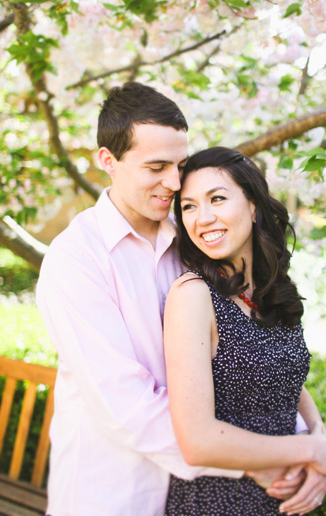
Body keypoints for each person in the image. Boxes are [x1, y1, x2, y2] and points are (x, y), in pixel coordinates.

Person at [36, 83, 304, 515]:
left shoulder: (195, 239)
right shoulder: (76, 260)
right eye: (157, 166)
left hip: (200, 493)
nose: (175, 183)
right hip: (115, 494)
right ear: (108, 161)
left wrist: (307, 436)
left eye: (180, 164)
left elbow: (255, 345)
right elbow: (126, 407)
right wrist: (255, 462)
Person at [163, 146, 326, 515]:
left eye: (217, 198)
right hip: (217, 502)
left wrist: (318, 432)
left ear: (253, 205)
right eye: (189, 206)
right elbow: (196, 441)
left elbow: (281, 371)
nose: (203, 218)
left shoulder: (267, 290)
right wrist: (312, 451)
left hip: (279, 497)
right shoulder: (193, 296)